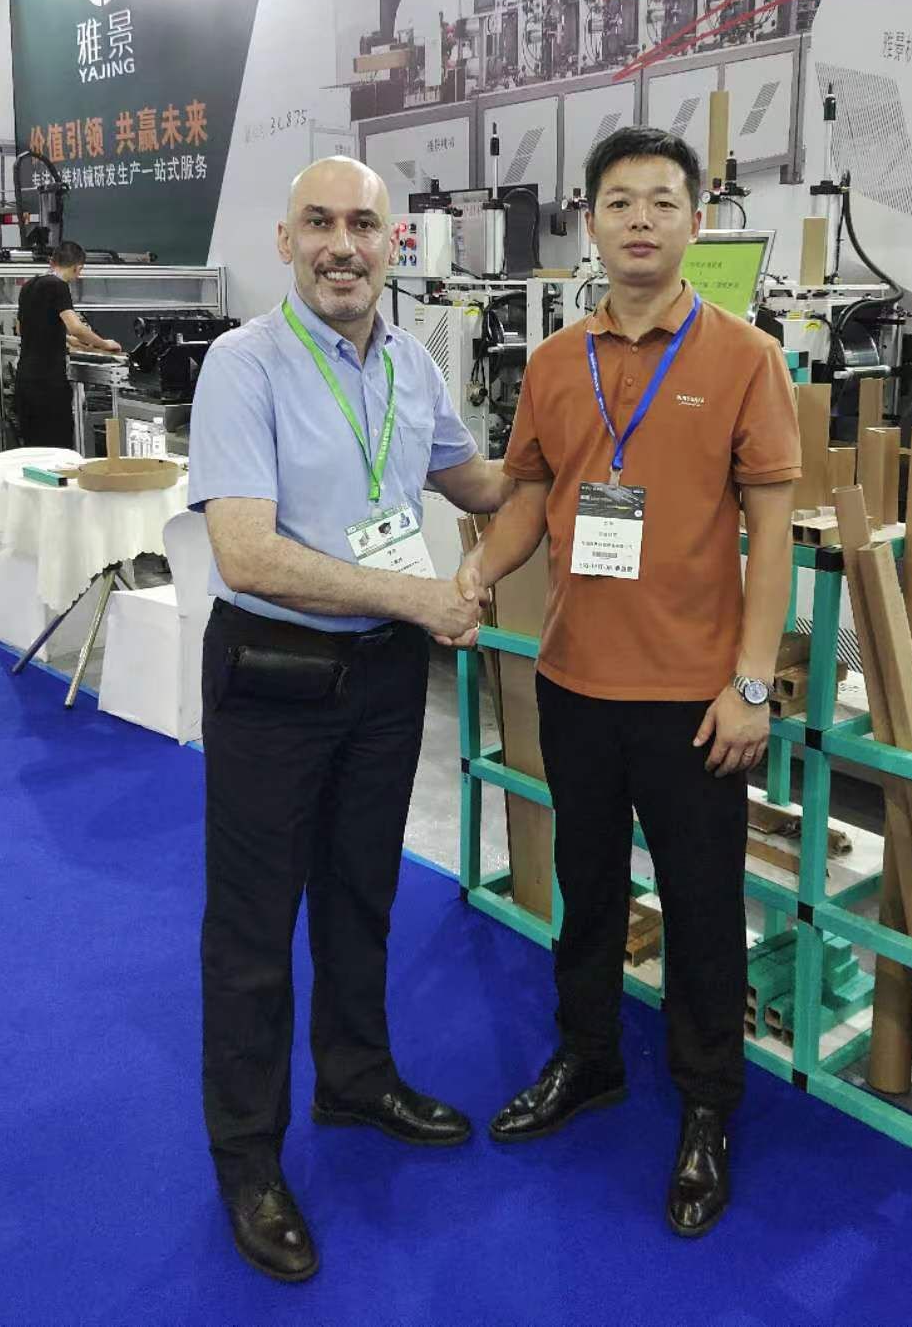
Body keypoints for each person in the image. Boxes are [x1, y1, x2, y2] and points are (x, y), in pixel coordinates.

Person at [459, 126, 800, 1239]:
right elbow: (527, 498)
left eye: (661, 200)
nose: (640, 219)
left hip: (696, 699)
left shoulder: (745, 357)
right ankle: (590, 1057)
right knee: (588, 886)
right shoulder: (554, 363)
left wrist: (753, 684)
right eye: (619, 200)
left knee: (701, 907)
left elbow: (771, 530)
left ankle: (706, 1104)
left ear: (696, 222)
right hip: (575, 681)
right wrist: (472, 575)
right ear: (589, 222)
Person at [188, 157, 511, 1284]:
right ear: (286, 242)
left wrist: (598, 449)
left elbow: (477, 484)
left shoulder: (413, 366)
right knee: (251, 931)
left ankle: (356, 1077)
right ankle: (248, 1159)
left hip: (381, 679)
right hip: (274, 678)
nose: (343, 244)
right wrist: (417, 597)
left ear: (390, 245)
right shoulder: (244, 365)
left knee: (360, 895)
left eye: (364, 225)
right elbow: (247, 552)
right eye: (319, 223)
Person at [13, 240, 121, 448]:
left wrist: (69, 340)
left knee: (34, 447)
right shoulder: (58, 286)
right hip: (48, 384)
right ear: (77, 268)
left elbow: (23, 329)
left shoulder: (28, 286)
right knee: (57, 448)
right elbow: (76, 327)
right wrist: (104, 344)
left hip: (25, 381)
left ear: (52, 261)